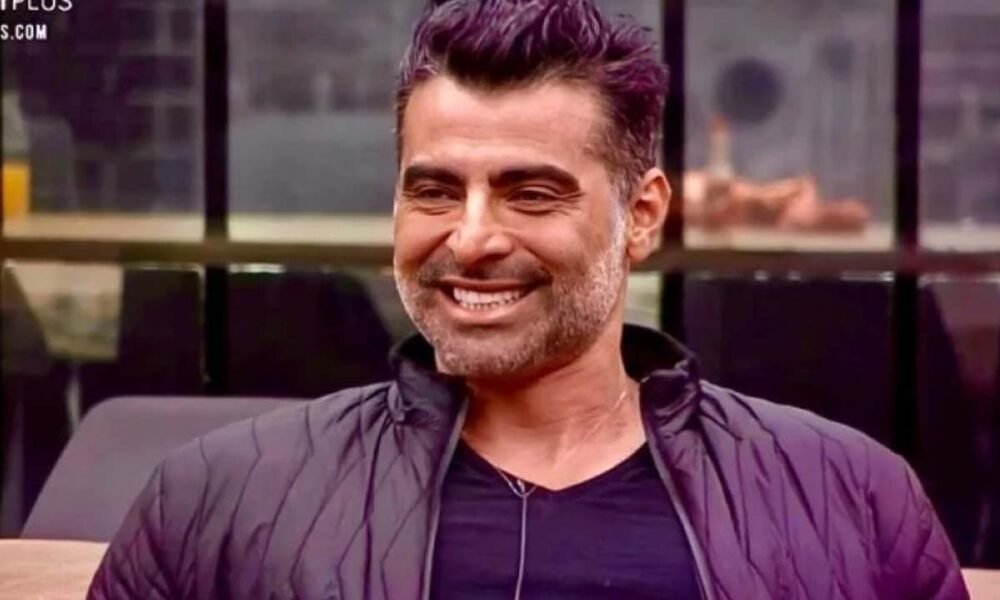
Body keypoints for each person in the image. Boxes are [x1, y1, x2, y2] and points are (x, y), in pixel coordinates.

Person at [88, 1, 968, 598]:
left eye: (531, 194)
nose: (471, 238)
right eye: (435, 191)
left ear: (641, 217)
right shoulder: (219, 499)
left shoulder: (850, 499)